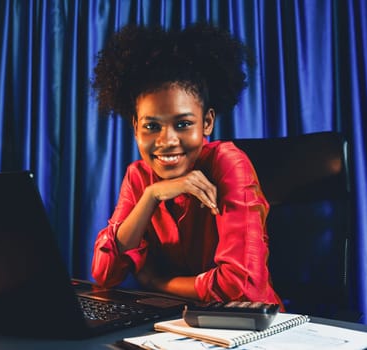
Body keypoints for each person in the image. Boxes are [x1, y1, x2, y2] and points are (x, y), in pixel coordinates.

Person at [90, 23, 283, 306]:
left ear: (207, 122)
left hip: (248, 330)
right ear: (135, 128)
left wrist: (159, 284)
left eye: (183, 124)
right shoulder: (139, 176)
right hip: (172, 328)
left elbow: (239, 286)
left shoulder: (229, 163)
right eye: (151, 126)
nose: (167, 140)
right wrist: (151, 196)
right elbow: (104, 273)